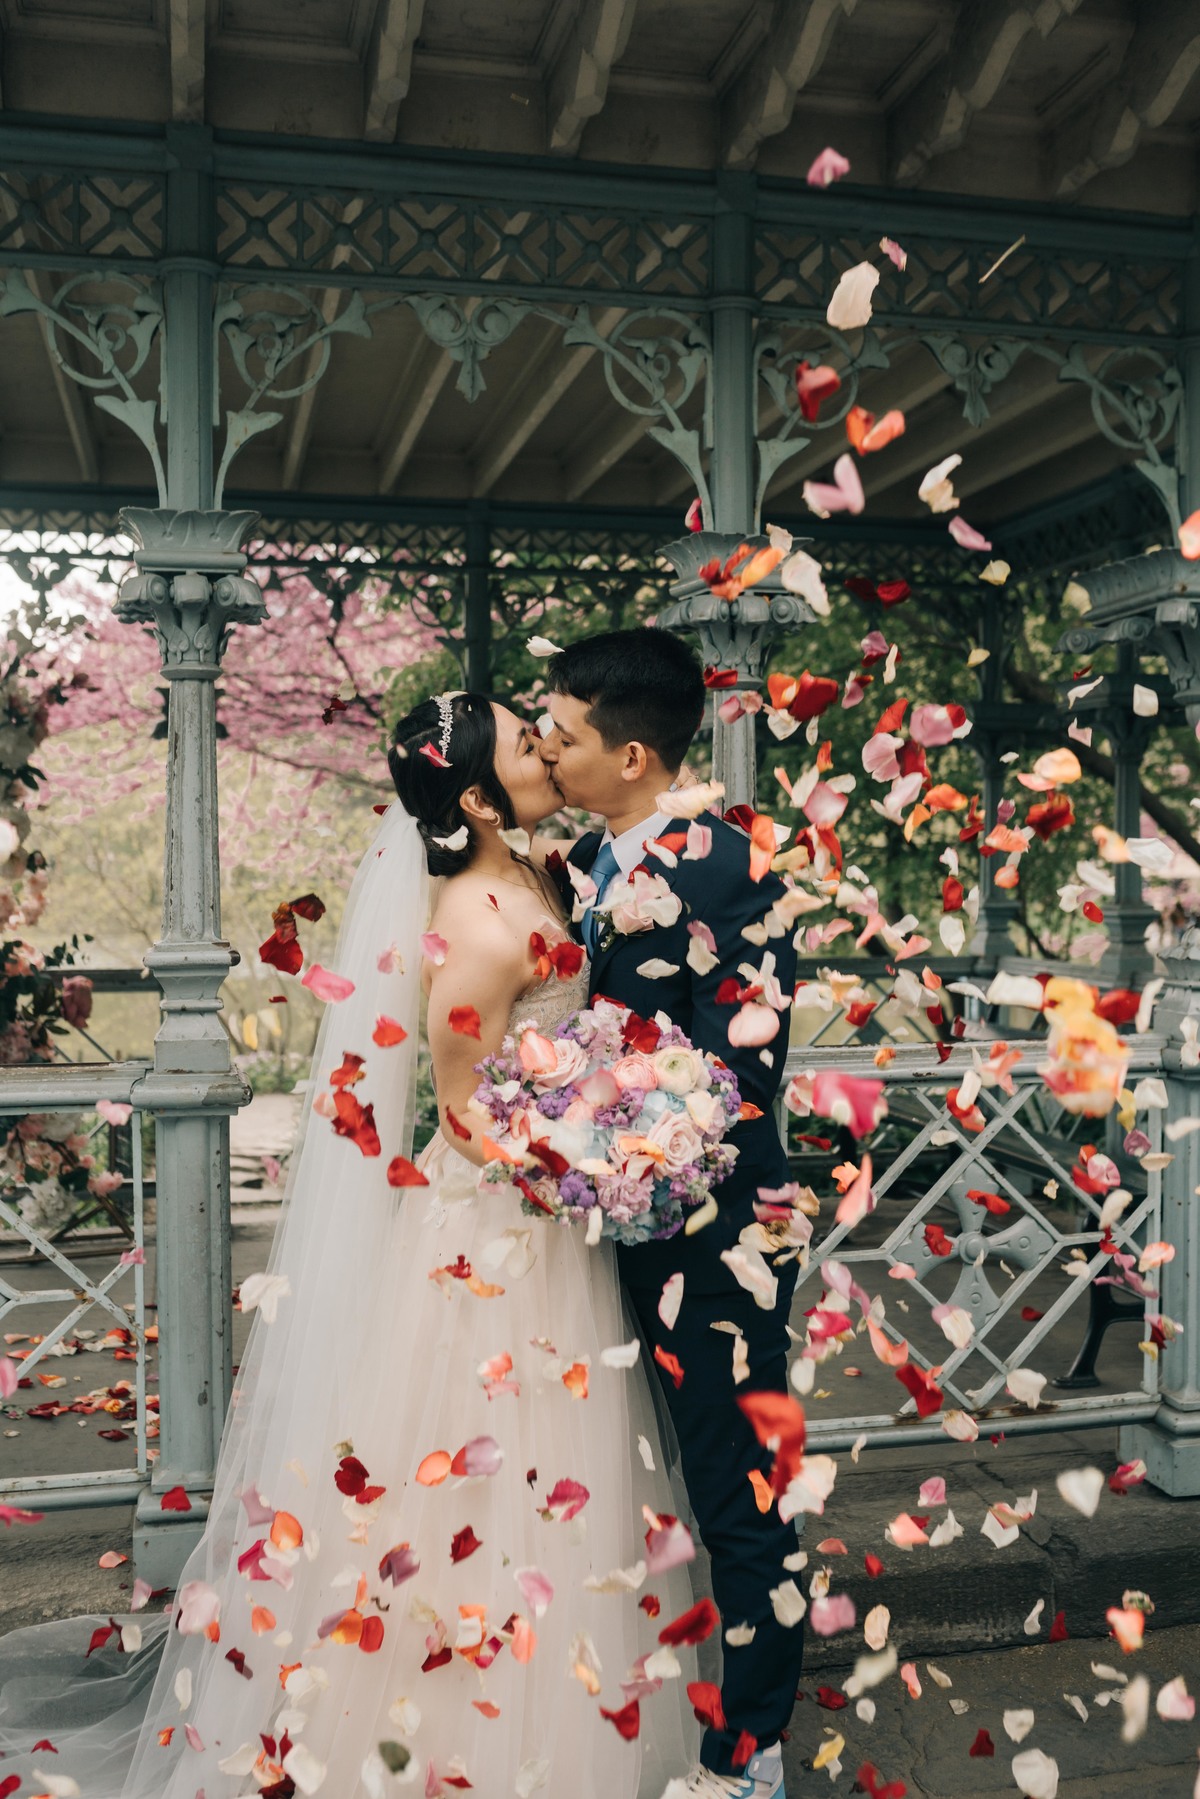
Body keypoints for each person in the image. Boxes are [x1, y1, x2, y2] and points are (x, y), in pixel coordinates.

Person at [0, 690, 698, 1799]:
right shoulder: (474, 924)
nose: (548, 751)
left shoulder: (543, 873)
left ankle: (568, 1716)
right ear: (480, 799)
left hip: (554, 1227)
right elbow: (461, 1111)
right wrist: (580, 1161)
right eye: (528, 745)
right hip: (498, 1234)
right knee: (483, 1477)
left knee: (570, 1468)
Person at [539, 629, 802, 1799]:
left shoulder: (733, 867)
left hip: (715, 1228)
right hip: (592, 1219)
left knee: (736, 1480)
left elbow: (747, 1062)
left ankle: (754, 1750)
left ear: (632, 752)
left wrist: (621, 1139)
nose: (549, 748)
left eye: (565, 732)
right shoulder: (579, 863)